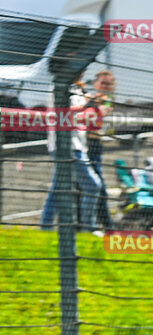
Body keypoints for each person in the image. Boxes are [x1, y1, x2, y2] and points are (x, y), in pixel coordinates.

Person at [40, 71, 105, 234]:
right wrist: (85, 106)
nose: (83, 72)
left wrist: (94, 106)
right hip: (67, 146)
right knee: (92, 185)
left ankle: (45, 228)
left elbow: (85, 116)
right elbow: (60, 112)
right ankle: (88, 228)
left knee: (59, 188)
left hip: (77, 145)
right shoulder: (59, 86)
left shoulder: (78, 89)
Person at [86, 70, 116, 231]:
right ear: (96, 83)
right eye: (102, 83)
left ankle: (106, 226)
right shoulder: (87, 96)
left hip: (95, 146)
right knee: (90, 187)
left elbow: (105, 110)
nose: (105, 87)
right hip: (83, 144)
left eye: (108, 84)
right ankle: (98, 226)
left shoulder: (109, 100)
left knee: (98, 188)